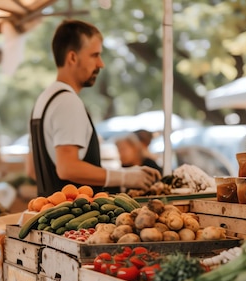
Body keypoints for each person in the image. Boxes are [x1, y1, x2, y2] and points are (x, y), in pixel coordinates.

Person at [27, 20, 160, 196]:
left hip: (50, 216)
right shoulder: (67, 102)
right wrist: (126, 177)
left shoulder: (43, 100)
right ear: (72, 57)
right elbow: (67, 168)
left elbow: (31, 170)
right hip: (73, 220)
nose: (100, 64)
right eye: (94, 55)